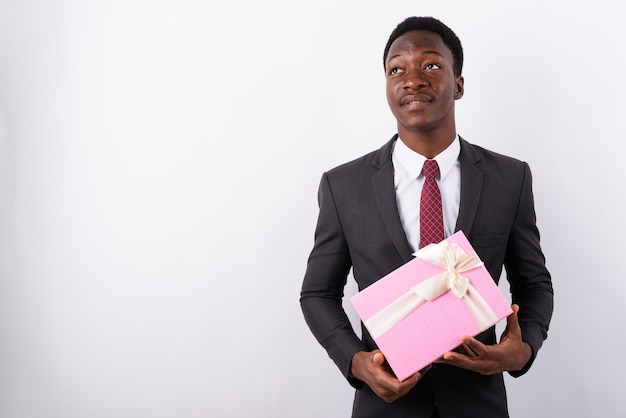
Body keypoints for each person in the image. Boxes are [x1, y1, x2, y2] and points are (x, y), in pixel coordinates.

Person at [300, 16, 554, 417]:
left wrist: (522, 349)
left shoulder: (510, 178)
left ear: (459, 84)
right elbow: (317, 293)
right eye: (396, 69)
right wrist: (355, 361)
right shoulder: (342, 186)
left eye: (431, 65)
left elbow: (534, 283)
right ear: (386, 86)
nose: (413, 79)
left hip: (479, 404)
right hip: (385, 405)